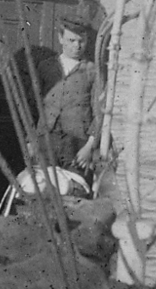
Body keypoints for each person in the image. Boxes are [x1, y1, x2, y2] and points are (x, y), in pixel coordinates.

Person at [32, 13, 104, 175]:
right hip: (46, 140)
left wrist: (89, 147)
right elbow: (32, 105)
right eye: (71, 40)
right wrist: (31, 142)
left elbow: (100, 113)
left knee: (74, 186)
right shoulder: (46, 67)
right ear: (60, 38)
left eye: (81, 41)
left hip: (77, 144)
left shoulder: (92, 72)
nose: (77, 46)